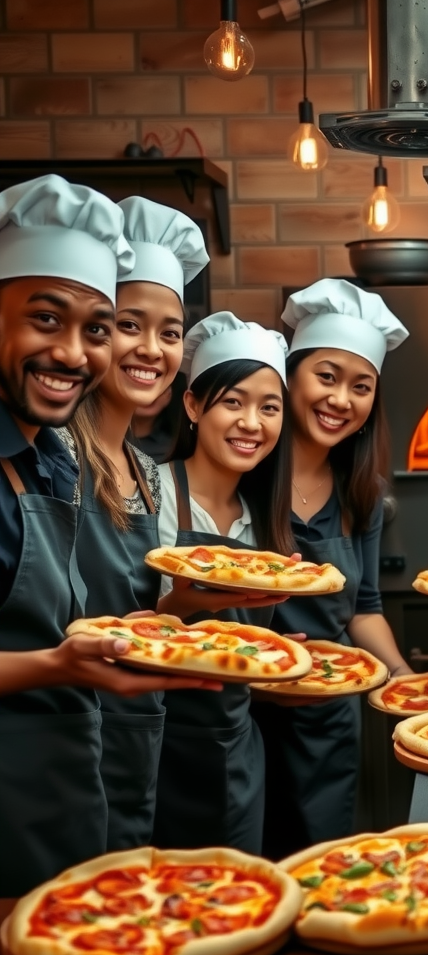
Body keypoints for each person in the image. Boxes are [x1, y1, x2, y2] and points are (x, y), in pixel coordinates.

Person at [0, 175, 218, 897]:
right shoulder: (58, 457)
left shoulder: (50, 460)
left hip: (80, 774)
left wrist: (194, 607)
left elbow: (95, 627)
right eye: (45, 319)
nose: (72, 352)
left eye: (92, 327)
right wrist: (62, 666)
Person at [253, 279, 428, 857]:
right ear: (290, 376)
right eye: (326, 376)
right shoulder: (247, 474)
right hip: (245, 711)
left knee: (321, 866)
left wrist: (402, 675)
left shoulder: (360, 492)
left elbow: (363, 608)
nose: (341, 399)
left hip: (328, 718)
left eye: (360, 386)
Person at [56, 196, 214, 851]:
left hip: (138, 736)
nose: (152, 349)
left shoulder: (149, 474)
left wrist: (207, 597)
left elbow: (147, 613)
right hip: (62, 743)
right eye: (129, 325)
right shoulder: (52, 458)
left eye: (171, 332)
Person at [152, 312, 294, 854]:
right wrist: (177, 606)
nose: (251, 423)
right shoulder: (152, 495)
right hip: (160, 742)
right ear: (192, 404)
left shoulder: (265, 519)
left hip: (237, 744)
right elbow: (112, 629)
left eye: (269, 407)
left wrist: (278, 662)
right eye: (233, 401)